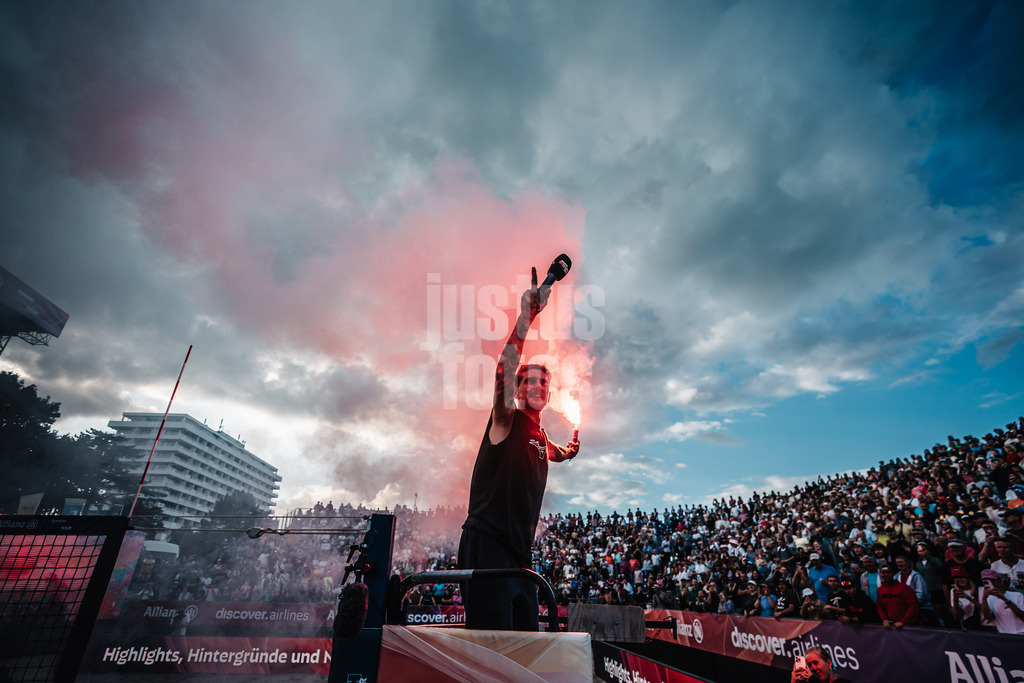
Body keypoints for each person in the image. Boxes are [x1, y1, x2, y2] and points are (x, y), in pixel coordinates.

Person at [457, 265, 580, 631]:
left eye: (544, 383)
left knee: (527, 639)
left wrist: (570, 451)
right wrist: (527, 317)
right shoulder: (506, 420)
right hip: (487, 544)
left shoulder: (540, 437)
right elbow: (503, 371)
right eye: (528, 381)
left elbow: (555, 452)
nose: (537, 386)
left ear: (549, 394)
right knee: (493, 643)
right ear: (517, 389)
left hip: (519, 555)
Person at [979, 569, 1024, 634]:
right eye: (986, 582)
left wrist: (1005, 599)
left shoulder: (1017, 595)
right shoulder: (990, 599)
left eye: (992, 580)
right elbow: (987, 617)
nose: (991, 583)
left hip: (1021, 634)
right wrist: (984, 598)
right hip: (1004, 635)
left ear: (1000, 580)